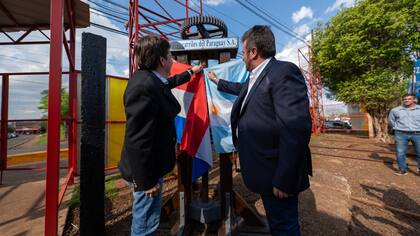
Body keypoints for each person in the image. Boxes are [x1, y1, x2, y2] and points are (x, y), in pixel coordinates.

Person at [208, 25, 312, 235]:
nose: (243, 57)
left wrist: (285, 178)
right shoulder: (256, 77)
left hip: (278, 175)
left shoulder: (283, 72)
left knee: (284, 226)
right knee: (277, 223)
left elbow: (296, 129)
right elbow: (241, 91)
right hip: (266, 171)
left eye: (244, 52)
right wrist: (217, 81)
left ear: (253, 52)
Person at [118, 35, 203, 235]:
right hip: (146, 173)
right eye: (170, 56)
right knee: (145, 223)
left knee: (149, 219)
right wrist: (145, 182)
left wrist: (191, 72)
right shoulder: (143, 87)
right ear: (162, 60)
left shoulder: (150, 79)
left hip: (152, 167)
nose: (173, 60)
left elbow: (168, 84)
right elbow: (137, 140)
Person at [388, 94, 420, 176]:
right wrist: (396, 129)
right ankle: (402, 169)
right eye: (405, 99)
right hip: (401, 133)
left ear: (414, 100)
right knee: (400, 152)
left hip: (417, 133)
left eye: (409, 99)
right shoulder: (395, 110)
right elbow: (391, 121)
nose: (407, 100)